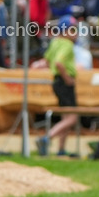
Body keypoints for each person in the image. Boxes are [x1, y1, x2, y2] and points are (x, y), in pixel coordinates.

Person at [35, 16, 80, 157]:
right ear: (64, 31)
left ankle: (61, 149)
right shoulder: (66, 44)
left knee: (65, 117)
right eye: (72, 30)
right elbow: (59, 63)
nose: (76, 34)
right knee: (72, 118)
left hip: (56, 82)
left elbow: (47, 61)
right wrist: (67, 79)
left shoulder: (55, 42)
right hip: (65, 82)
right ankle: (47, 138)